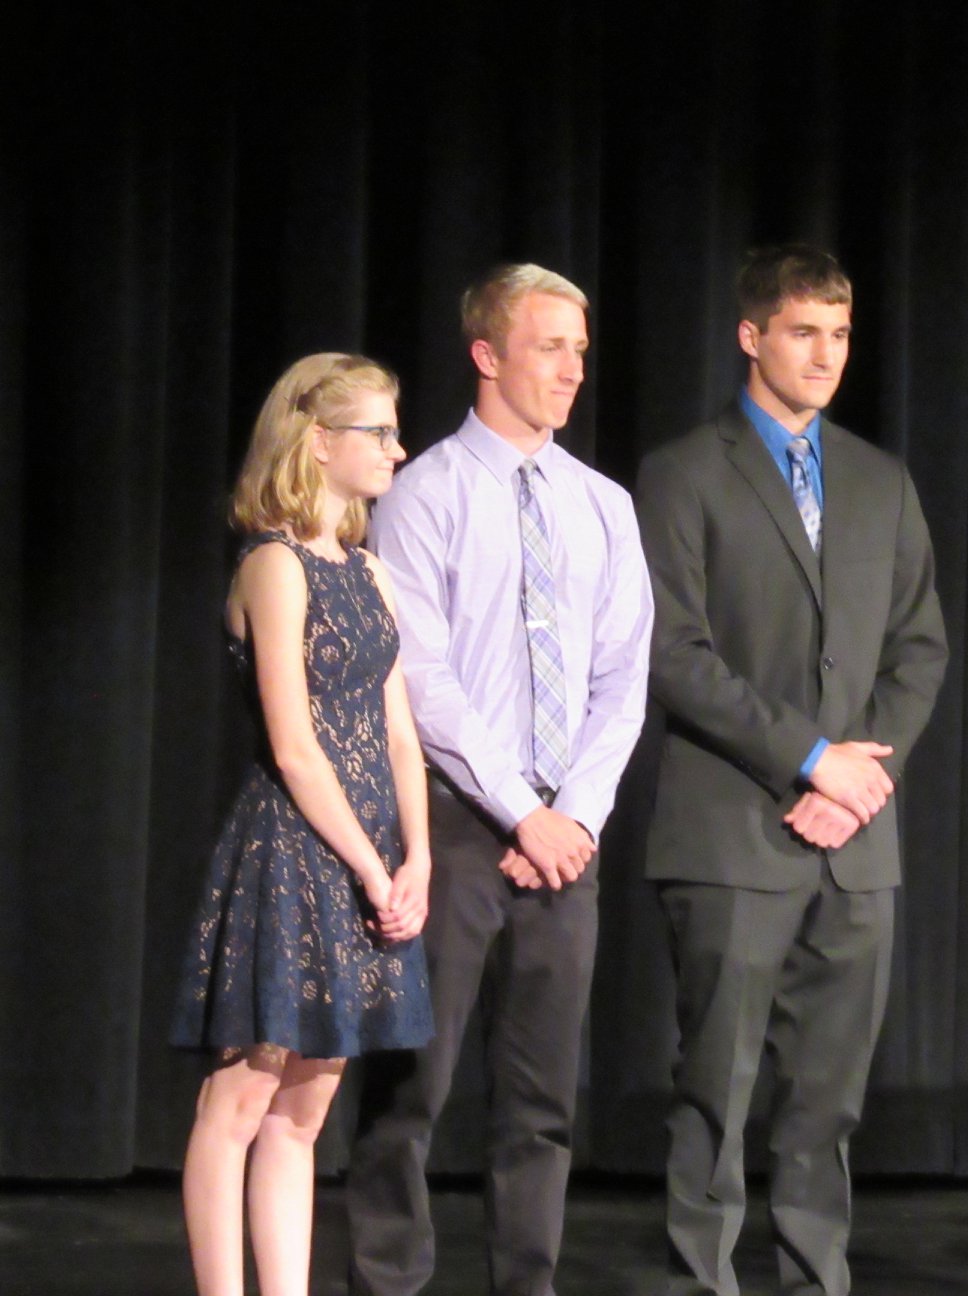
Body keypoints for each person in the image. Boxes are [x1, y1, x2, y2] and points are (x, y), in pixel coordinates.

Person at [633, 244, 948, 1296]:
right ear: (751, 335)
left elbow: (919, 651)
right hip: (732, 834)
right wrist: (811, 760)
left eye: (840, 334)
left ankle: (818, 1280)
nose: (825, 354)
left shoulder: (880, 479)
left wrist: (858, 782)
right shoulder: (685, 472)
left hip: (855, 848)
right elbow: (675, 653)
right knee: (715, 1097)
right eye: (804, 332)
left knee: (827, 1105)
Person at [347, 265, 653, 1296]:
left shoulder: (604, 505)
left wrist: (574, 817)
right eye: (549, 347)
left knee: (541, 1103)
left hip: (567, 838)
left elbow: (623, 679)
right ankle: (388, 1279)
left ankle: (527, 1282)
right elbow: (419, 678)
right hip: (454, 831)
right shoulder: (424, 494)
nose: (573, 370)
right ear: (487, 354)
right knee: (411, 1090)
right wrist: (521, 814)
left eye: (580, 350)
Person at [171, 353, 432, 1296]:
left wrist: (418, 859)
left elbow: (400, 735)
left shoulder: (369, 571)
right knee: (241, 1097)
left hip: (370, 860)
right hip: (294, 852)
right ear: (319, 442)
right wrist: (370, 867)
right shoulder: (274, 566)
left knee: (306, 1110)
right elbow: (295, 748)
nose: (397, 450)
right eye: (379, 432)